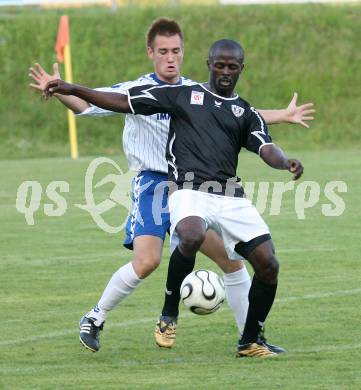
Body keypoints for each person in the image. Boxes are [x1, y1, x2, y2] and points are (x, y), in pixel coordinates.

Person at [34, 19, 314, 354]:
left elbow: (234, 113)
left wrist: (281, 115)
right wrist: (63, 89)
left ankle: (250, 339)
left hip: (196, 187)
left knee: (233, 264)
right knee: (147, 262)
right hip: (154, 184)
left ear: (185, 53)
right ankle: (95, 317)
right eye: (163, 51)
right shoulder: (138, 88)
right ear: (151, 53)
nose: (171, 58)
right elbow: (90, 105)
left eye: (176, 51)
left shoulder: (196, 90)